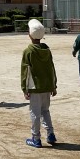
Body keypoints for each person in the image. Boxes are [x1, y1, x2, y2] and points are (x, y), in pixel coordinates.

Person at [21, 19, 58, 148]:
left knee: (35, 113)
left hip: (34, 87)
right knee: (45, 111)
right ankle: (50, 133)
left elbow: (25, 72)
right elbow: (51, 68)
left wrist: (24, 88)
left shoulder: (28, 51)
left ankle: (36, 138)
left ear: (30, 35)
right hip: (47, 86)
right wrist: (53, 85)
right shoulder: (47, 50)